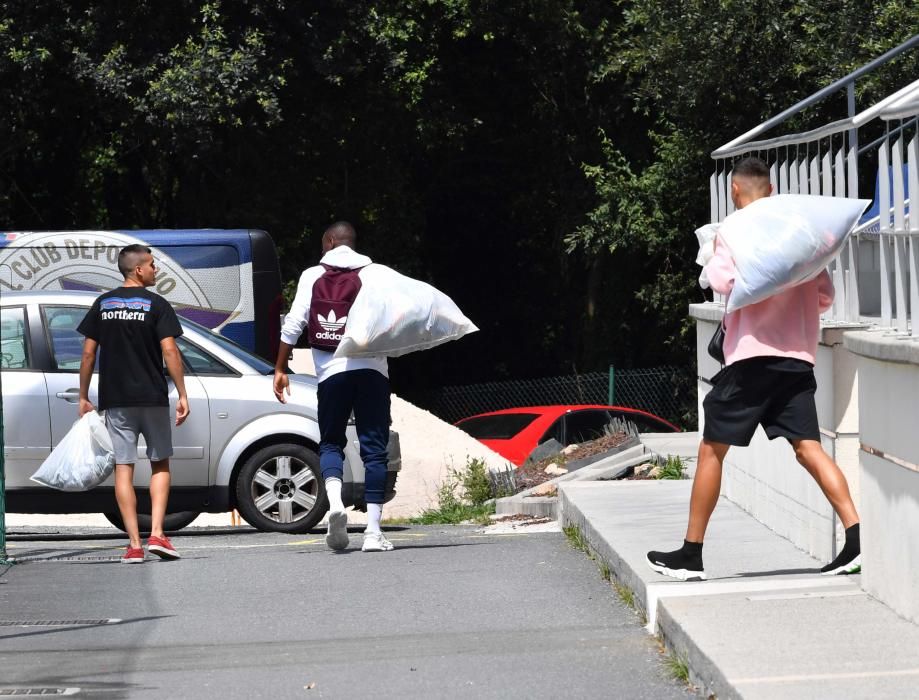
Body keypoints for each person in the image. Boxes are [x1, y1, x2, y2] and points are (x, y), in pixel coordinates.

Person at [647, 156, 861, 581]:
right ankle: (856, 540)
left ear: (735, 191)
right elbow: (823, 297)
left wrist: (711, 255)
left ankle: (691, 555)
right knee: (809, 448)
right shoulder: (801, 234)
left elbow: (723, 283)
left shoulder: (737, 232)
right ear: (772, 187)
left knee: (711, 448)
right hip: (797, 359)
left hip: (751, 358)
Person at [273, 221, 393, 553]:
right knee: (374, 449)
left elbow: (294, 323)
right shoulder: (377, 274)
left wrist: (280, 368)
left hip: (331, 372)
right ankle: (372, 532)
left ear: (328, 241)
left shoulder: (312, 275)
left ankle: (336, 503)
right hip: (372, 370)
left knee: (330, 443)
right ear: (353, 243)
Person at [78, 244, 190, 563]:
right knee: (160, 463)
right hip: (152, 397)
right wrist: (182, 393)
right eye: (153, 265)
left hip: (117, 399)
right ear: (138, 269)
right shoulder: (156, 304)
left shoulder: (103, 303)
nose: (157, 270)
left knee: (123, 468)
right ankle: (158, 533)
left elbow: (88, 353)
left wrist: (84, 395)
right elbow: (170, 352)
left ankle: (134, 545)